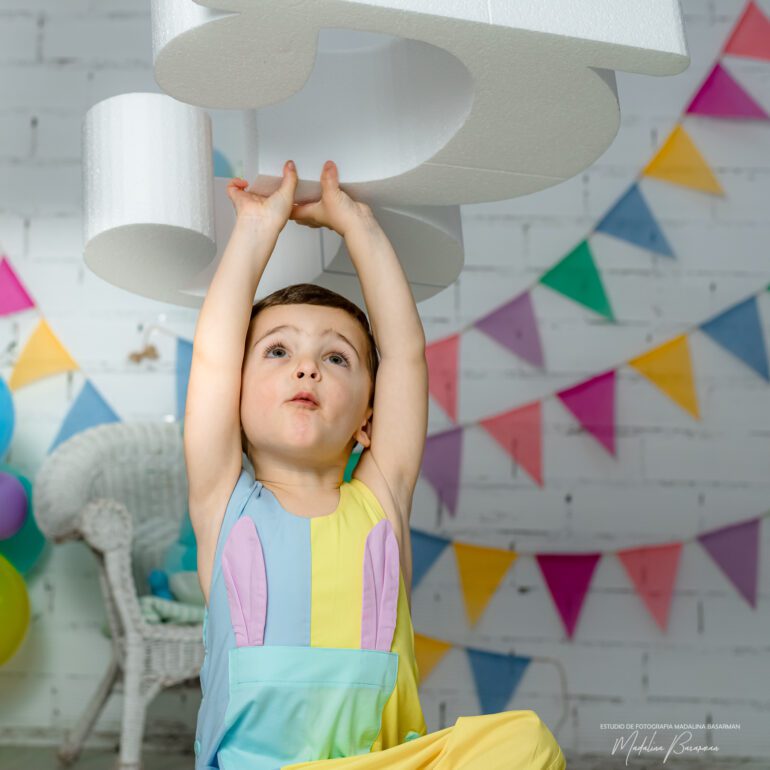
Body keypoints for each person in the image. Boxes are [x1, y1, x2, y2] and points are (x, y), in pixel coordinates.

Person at [184, 159, 566, 769]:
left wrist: (357, 225)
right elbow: (212, 352)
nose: (306, 367)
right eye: (277, 350)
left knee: (526, 743)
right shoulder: (225, 501)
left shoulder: (380, 499)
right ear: (234, 398)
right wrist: (256, 231)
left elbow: (406, 355)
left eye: (336, 359)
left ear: (368, 418)